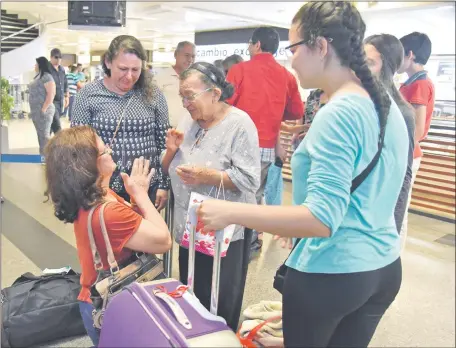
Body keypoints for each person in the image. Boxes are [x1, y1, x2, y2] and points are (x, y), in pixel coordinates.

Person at [197, 2, 408, 347]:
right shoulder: (383, 102)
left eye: (293, 48)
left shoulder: (338, 112)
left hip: (334, 270)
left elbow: (322, 219)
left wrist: (229, 213)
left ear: (321, 46)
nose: (290, 59)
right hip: (383, 267)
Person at [44, 125, 172, 347]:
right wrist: (141, 195)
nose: (110, 151)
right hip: (112, 304)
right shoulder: (108, 211)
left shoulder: (95, 197)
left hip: (95, 299)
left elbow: (127, 232)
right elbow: (163, 241)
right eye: (104, 151)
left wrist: (134, 199)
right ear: (87, 165)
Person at [161, 62, 260, 331]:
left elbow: (250, 180)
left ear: (215, 93)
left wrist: (207, 176)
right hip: (189, 229)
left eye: (189, 95)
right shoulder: (189, 121)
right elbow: (167, 165)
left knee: (219, 301)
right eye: (182, 96)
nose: (184, 103)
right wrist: (170, 151)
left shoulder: (239, 124)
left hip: (222, 234)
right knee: (192, 295)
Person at [225, 27, 304, 254]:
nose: (249, 48)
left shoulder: (239, 70)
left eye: (250, 44)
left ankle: (234, 243)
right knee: (255, 195)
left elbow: (225, 104)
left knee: (234, 195)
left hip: (237, 145)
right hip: (267, 146)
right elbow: (296, 109)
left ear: (257, 45)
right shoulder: (287, 76)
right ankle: (251, 240)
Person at [71, 35, 171, 211]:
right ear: (108, 62)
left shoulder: (153, 94)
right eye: (123, 69)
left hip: (146, 187)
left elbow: (163, 143)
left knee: (146, 236)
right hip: (103, 188)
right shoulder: (88, 95)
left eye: (136, 69)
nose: (129, 76)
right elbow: (78, 147)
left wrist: (164, 184)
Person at [365, 34, 416, 245]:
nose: (362, 69)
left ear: (387, 67)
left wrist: (392, 231)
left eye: (370, 63)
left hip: (376, 217)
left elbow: (404, 174)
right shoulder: (355, 102)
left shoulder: (401, 112)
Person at [397, 32, 435, 246]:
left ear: (410, 55)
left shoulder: (419, 84)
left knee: (399, 210)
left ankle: (393, 261)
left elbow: (418, 130)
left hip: (408, 154)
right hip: (405, 153)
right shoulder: (410, 82)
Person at [154, 41, 196, 127]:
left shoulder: (195, 80)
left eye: (193, 56)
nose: (190, 60)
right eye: (187, 55)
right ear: (176, 54)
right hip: (166, 131)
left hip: (190, 130)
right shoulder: (160, 78)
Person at [28, 57, 56, 164]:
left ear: (40, 64)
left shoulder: (47, 77)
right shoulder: (37, 76)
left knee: (44, 135)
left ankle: (51, 157)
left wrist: (43, 109)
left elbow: (51, 94)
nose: (35, 66)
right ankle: (43, 157)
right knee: (40, 135)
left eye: (36, 64)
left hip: (45, 111)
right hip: (36, 111)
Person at [49, 48, 69, 134]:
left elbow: (65, 83)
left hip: (60, 101)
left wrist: (67, 96)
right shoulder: (47, 69)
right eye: (56, 57)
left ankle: (46, 145)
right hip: (51, 102)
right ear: (51, 57)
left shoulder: (61, 69)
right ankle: (60, 145)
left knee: (49, 126)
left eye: (60, 58)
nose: (58, 60)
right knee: (57, 127)